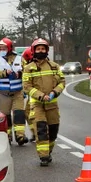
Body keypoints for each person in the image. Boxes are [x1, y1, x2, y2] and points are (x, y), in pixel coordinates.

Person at [23, 38, 65, 166]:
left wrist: (54, 93)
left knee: (53, 130)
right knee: (41, 130)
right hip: (38, 105)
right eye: (38, 49)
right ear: (34, 51)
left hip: (52, 105)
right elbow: (27, 86)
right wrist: (41, 96)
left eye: (43, 49)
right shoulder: (28, 68)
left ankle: (49, 151)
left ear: (46, 50)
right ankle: (44, 157)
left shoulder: (54, 66)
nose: (40, 51)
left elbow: (62, 82)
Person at [0, 37, 26, 145]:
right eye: (0, 48)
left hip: (17, 92)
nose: (1, 50)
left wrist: (21, 74)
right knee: (5, 116)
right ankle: (7, 136)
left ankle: (20, 136)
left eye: (4, 48)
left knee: (19, 114)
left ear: (9, 48)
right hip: (3, 93)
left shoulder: (20, 59)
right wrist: (4, 73)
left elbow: (27, 71)